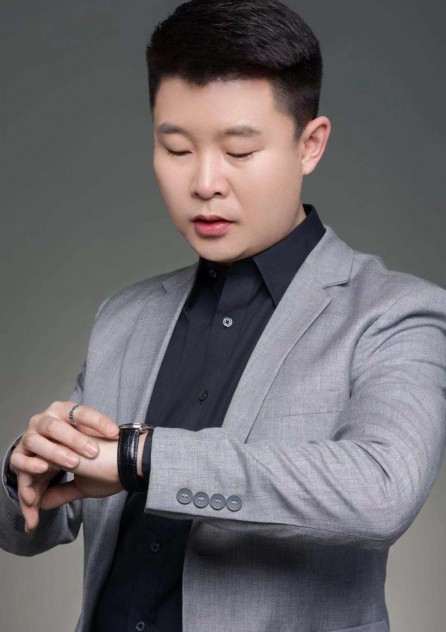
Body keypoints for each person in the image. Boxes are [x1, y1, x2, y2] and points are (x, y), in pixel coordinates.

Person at [1, 1, 446, 631]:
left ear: (310, 144)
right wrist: (23, 469)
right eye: (177, 148)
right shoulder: (125, 317)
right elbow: (30, 527)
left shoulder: (395, 314)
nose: (205, 182)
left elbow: (381, 490)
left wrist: (141, 457)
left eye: (238, 152)